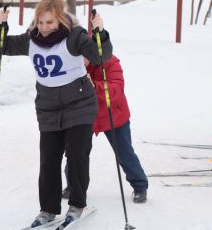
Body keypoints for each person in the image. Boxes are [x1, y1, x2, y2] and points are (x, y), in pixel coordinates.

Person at [0, 0, 113, 226]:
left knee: (77, 155)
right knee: (49, 159)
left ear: (60, 21)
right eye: (41, 22)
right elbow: (2, 45)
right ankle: (48, 209)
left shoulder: (74, 36)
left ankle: (77, 204)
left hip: (79, 104)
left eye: (50, 22)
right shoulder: (31, 39)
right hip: (48, 107)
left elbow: (99, 56)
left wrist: (100, 34)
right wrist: (0, 25)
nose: (44, 28)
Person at [62, 54, 148, 203]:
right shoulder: (71, 64)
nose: (81, 60)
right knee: (76, 152)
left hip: (113, 114)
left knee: (124, 152)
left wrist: (94, 86)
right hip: (84, 115)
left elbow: (117, 87)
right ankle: (73, 186)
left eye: (84, 56)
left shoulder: (109, 61)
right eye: (78, 55)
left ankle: (140, 186)